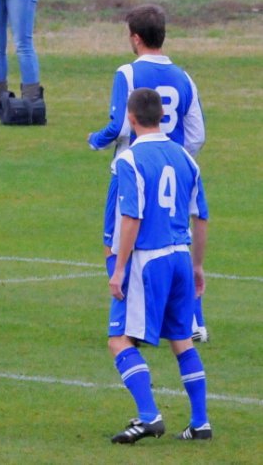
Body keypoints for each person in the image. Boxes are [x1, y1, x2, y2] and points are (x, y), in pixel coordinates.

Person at [88, 3, 207, 342]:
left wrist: (95, 141)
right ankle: (193, 322)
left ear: (136, 38)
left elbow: (120, 125)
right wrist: (176, 158)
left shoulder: (127, 73)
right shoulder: (184, 77)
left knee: (115, 242)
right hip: (176, 172)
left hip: (133, 169)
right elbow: (197, 133)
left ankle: (129, 317)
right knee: (176, 241)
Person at [107, 88, 211, 444]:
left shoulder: (129, 159)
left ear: (131, 117)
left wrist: (119, 269)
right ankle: (200, 422)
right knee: (181, 339)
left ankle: (149, 416)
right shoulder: (186, 158)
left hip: (148, 261)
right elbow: (201, 217)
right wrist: (198, 266)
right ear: (162, 117)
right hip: (181, 256)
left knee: (120, 340)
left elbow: (131, 217)